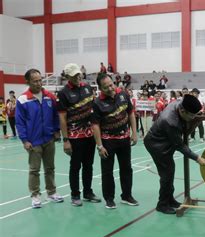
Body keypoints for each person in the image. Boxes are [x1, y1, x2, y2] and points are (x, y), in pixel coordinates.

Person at [144, 94, 205, 214]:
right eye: (192, 115)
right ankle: (162, 204)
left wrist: (202, 115)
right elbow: (180, 146)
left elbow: (190, 116)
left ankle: (170, 199)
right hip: (156, 145)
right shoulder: (170, 121)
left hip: (165, 140)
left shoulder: (180, 103)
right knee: (166, 174)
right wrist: (197, 158)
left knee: (170, 171)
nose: (193, 117)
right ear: (182, 111)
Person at [16, 69, 64, 208]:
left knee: (50, 168)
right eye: (35, 81)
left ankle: (52, 192)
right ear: (28, 82)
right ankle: (35, 195)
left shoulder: (49, 96)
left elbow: (55, 115)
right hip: (33, 141)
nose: (38, 83)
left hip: (49, 139)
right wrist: (25, 140)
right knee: (34, 170)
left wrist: (56, 130)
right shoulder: (23, 99)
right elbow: (20, 122)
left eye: (40, 80)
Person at [91, 73, 139, 209]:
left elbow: (130, 113)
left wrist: (134, 133)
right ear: (100, 88)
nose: (110, 89)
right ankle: (109, 198)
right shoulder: (97, 103)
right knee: (107, 171)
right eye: (106, 87)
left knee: (126, 169)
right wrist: (100, 146)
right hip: (108, 142)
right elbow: (95, 125)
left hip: (124, 139)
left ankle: (127, 196)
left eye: (111, 85)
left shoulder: (123, 95)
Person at [57, 63, 101, 207]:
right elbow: (62, 118)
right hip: (75, 137)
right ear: (68, 76)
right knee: (75, 166)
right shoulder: (63, 93)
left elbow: (94, 109)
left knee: (89, 165)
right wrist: (66, 140)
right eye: (74, 75)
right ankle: (75, 195)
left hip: (90, 135)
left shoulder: (87, 87)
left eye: (79, 74)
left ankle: (87, 192)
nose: (78, 77)